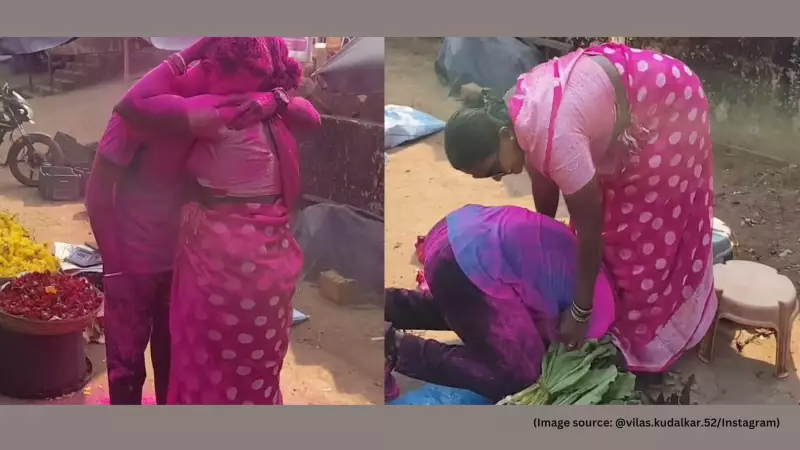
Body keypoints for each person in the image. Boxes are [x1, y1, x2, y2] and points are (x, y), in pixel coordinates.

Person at [441, 42, 718, 374]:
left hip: (667, 101)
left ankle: (647, 335)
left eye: (493, 169)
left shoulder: (554, 135)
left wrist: (580, 313)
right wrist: (538, 252)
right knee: (610, 224)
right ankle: (613, 309)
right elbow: (543, 182)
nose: (499, 178)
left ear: (503, 136)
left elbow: (591, 228)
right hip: (622, 94)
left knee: (639, 234)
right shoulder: (516, 117)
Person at [85, 37, 319, 405]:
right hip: (131, 262)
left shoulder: (219, 106)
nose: (241, 99)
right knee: (125, 367)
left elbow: (304, 113)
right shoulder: (143, 115)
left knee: (174, 363)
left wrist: (275, 98)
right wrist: (114, 267)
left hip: (182, 263)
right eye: (238, 88)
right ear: (209, 69)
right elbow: (98, 194)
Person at [384, 204, 616, 402]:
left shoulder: (594, 278)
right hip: (461, 264)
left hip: (453, 231)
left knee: (467, 309)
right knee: (522, 376)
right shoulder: (597, 317)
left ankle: (384, 305)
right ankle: (395, 348)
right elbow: (543, 342)